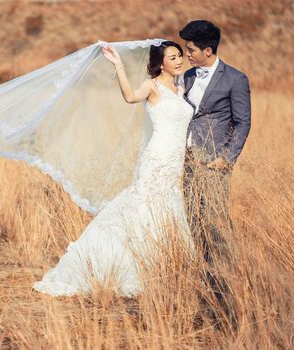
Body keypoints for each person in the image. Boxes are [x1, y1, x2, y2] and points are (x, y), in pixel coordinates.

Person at [32, 41, 195, 296]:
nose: (178, 61)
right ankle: (131, 269)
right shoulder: (151, 86)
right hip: (157, 158)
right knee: (146, 209)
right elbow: (130, 97)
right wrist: (118, 65)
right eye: (172, 57)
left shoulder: (182, 88)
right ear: (160, 63)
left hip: (176, 162)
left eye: (180, 56)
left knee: (168, 208)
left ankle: (166, 268)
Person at [179, 20, 251, 326]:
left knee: (218, 232)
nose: (187, 53)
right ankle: (206, 302)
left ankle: (230, 304)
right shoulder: (186, 76)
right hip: (187, 163)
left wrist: (226, 159)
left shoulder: (235, 79)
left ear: (209, 50)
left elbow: (243, 122)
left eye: (192, 49)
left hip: (213, 164)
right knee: (196, 231)